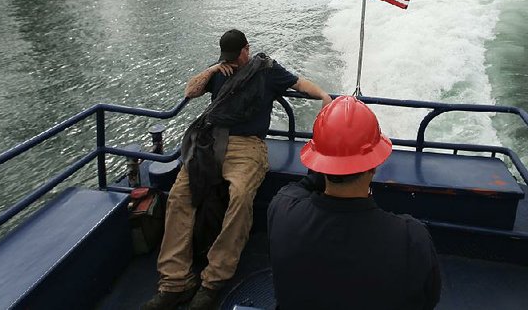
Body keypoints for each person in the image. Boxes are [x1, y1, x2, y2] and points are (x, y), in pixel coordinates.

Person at [143, 29, 332, 310]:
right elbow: (190, 91)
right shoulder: (220, 70)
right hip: (210, 142)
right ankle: (174, 281)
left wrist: (325, 97)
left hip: (248, 146)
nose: (232, 61)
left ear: (247, 49)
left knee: (241, 195)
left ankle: (214, 279)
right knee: (179, 196)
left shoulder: (266, 70)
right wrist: (213, 70)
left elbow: (300, 83)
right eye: (226, 58)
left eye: (235, 56)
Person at [267, 96, 441, 310]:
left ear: (319, 163)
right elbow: (428, 300)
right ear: (374, 164)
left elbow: (298, 189)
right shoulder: (411, 239)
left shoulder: (283, 210)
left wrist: (327, 164)